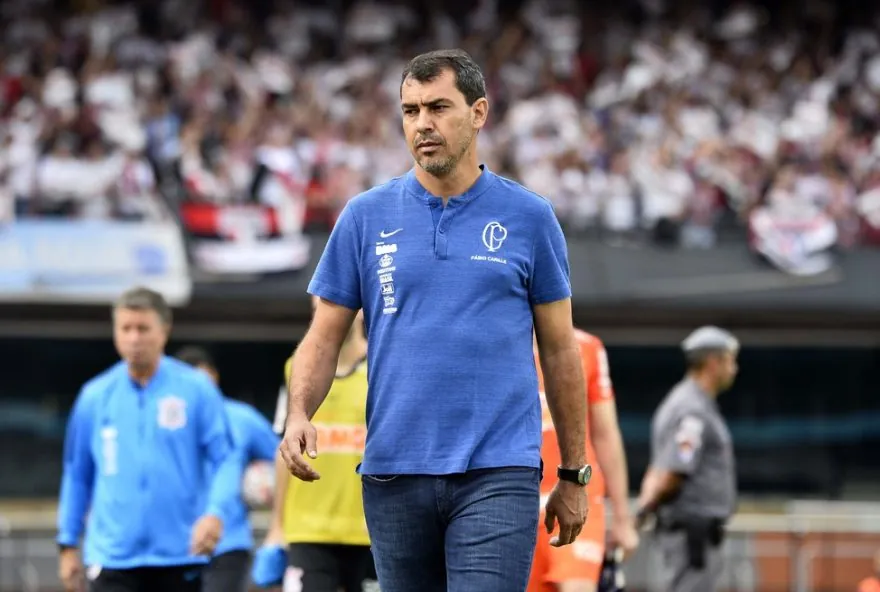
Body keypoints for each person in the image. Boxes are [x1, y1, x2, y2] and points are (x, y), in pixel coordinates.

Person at [279, 48, 590, 592]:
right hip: (393, 471)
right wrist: (299, 411)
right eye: (411, 110)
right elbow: (323, 337)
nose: (422, 123)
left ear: (478, 112)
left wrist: (573, 473)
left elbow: (561, 349)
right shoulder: (364, 217)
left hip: (498, 471)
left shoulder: (530, 218)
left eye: (438, 107)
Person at [56, 286, 242, 592]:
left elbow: (226, 459)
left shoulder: (196, 389)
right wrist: (67, 543)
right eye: (125, 328)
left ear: (164, 330)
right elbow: (77, 474)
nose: (134, 338)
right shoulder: (94, 396)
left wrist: (215, 513)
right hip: (112, 557)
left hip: (180, 555)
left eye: (143, 328)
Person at [255, 296, 377, 592]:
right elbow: (285, 449)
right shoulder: (296, 368)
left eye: (337, 304)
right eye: (319, 308)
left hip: (369, 529)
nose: (328, 314)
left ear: (361, 311)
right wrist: (276, 526)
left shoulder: (381, 366)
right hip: (307, 529)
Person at [528, 330, 639, 592]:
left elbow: (605, 434)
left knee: (577, 585)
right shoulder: (496, 340)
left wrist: (622, 517)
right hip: (515, 498)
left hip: (575, 496)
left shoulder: (588, 347)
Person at [636, 326, 740, 592]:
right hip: (692, 536)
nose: (734, 369)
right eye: (730, 361)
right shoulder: (692, 409)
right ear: (713, 362)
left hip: (690, 534)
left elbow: (658, 467)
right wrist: (645, 509)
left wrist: (644, 508)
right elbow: (673, 471)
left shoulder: (684, 401)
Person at [175, 346, 280, 592]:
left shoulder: (241, 418)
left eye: (203, 380)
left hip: (228, 540)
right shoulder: (169, 423)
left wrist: (263, 484)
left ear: (214, 376)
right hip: (177, 544)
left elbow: (284, 459)